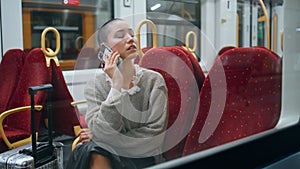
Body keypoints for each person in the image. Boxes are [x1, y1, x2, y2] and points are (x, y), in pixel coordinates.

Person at [66, 18, 168, 169]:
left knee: (96, 148)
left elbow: (154, 136)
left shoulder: (154, 80)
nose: (130, 39)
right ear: (105, 47)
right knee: (95, 150)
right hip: (105, 152)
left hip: (144, 157)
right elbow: (102, 131)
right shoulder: (95, 85)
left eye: (132, 34)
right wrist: (116, 87)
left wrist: (104, 138)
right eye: (120, 35)